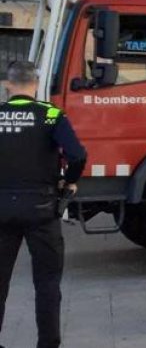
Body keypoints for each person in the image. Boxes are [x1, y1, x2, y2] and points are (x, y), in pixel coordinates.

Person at [0, 61, 87, 348]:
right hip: (42, 209)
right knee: (47, 283)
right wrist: (69, 182)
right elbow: (76, 155)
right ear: (36, 86)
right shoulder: (50, 115)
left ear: (7, 85)